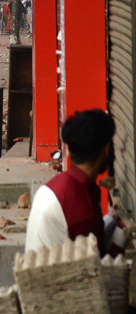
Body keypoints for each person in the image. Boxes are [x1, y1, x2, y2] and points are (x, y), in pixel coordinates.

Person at [26, 110, 125, 257]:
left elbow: (83, 235)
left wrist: (110, 220)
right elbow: (98, 266)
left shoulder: (56, 186)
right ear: (106, 149)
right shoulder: (81, 204)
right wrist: (121, 237)